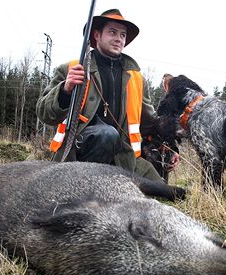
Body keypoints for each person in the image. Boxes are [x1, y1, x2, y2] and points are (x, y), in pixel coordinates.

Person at [36, 8, 179, 182]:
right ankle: (83, 189)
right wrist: (65, 90)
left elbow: (150, 124)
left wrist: (170, 147)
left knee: (168, 193)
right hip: (77, 155)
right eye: (112, 32)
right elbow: (44, 113)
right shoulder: (73, 69)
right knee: (106, 135)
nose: (119, 38)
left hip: (123, 157)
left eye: (123, 35)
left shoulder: (136, 78)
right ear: (96, 35)